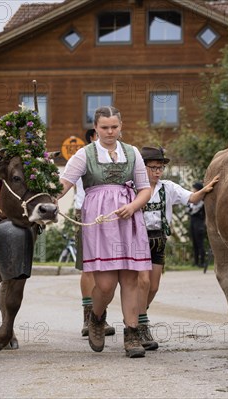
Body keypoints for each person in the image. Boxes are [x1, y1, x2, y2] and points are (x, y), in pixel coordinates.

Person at [57, 106, 152, 358]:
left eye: (114, 127)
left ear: (121, 127)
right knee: (106, 284)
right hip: (100, 222)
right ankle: (97, 318)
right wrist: (46, 199)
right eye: (104, 127)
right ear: (96, 128)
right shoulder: (83, 154)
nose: (110, 132)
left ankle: (131, 335)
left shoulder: (132, 153)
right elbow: (63, 184)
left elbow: (145, 189)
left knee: (130, 279)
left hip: (129, 219)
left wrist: (132, 206)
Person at [138, 146, 219, 349]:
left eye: (160, 168)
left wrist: (206, 189)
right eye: (153, 167)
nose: (158, 171)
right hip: (138, 241)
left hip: (159, 240)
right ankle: (140, 324)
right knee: (143, 282)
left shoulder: (168, 188)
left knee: (154, 286)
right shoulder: (132, 187)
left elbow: (191, 198)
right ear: (142, 167)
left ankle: (138, 313)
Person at [74, 129, 115, 338]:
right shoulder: (84, 156)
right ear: (92, 138)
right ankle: (88, 317)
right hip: (87, 213)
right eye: (98, 134)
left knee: (110, 268)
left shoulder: (120, 155)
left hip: (113, 214)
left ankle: (100, 316)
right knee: (89, 267)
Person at [188, 182, 208, 272]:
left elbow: (203, 213)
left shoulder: (202, 202)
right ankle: (196, 261)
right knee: (194, 243)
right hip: (193, 223)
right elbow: (188, 210)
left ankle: (202, 261)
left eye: (195, 189)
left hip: (199, 223)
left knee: (200, 244)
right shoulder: (192, 201)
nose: (193, 190)